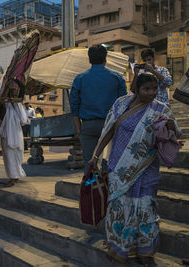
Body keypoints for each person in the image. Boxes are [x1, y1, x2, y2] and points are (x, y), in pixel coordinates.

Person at [88, 73, 181, 264]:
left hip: (146, 166)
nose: (152, 93)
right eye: (147, 89)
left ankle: (145, 251)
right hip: (119, 165)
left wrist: (170, 126)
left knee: (146, 207)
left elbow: (175, 134)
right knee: (120, 207)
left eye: (154, 89)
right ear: (136, 89)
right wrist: (95, 155)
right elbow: (108, 131)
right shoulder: (121, 104)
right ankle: (119, 247)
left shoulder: (160, 109)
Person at [70, 45, 127, 172]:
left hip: (88, 126)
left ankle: (91, 190)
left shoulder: (79, 79)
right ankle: (108, 190)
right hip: (110, 126)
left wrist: (78, 128)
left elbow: (74, 106)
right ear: (105, 59)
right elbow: (123, 104)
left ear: (89, 59)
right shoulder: (117, 77)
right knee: (110, 162)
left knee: (90, 163)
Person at [0, 101, 29, 185]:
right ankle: (13, 177)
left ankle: (14, 177)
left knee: (14, 155)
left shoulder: (17, 104)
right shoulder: (4, 104)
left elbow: (23, 120)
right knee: (10, 155)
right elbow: (23, 120)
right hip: (10, 133)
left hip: (13, 133)